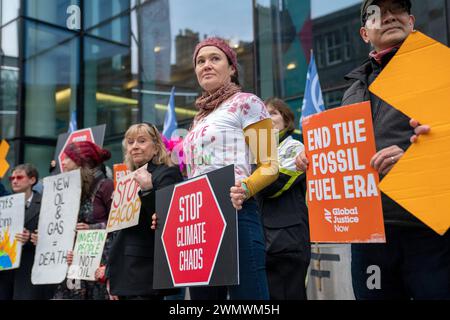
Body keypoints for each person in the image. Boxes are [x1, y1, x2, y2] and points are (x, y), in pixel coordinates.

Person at [296, 0, 449, 300]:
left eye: (398, 10)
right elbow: (344, 150)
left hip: (427, 228)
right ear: (365, 33)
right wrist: (316, 157)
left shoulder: (439, 67)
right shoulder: (354, 87)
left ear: (412, 20)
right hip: (369, 231)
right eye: (378, 12)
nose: (390, 16)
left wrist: (415, 161)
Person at [164, 37, 279, 300]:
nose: (206, 65)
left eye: (215, 58)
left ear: (232, 68)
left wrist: (246, 188)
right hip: (199, 222)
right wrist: (173, 215)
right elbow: (194, 176)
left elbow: (270, 166)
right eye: (200, 61)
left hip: (236, 211)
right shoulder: (199, 117)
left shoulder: (247, 102)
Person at [106, 123, 183, 300]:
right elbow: (119, 232)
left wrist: (148, 189)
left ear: (156, 148)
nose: (134, 147)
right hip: (123, 271)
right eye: (130, 142)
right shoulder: (127, 178)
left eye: (142, 141)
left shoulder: (168, 173)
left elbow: (168, 219)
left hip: (145, 271)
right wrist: (111, 274)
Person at [256, 98, 310, 300]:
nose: (267, 118)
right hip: (264, 241)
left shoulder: (295, 147)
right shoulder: (258, 154)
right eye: (263, 115)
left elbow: (271, 186)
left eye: (273, 113)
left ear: (286, 121)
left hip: (287, 240)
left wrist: (251, 175)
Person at [51, 141, 114, 300]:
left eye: (67, 158)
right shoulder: (70, 189)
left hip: (99, 264)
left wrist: (92, 227)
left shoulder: (105, 186)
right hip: (75, 264)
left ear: (81, 160)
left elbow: (119, 223)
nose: (62, 162)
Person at [0, 164, 55, 300]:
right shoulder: (4, 204)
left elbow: (53, 234)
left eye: (19, 177)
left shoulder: (46, 202)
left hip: (29, 267)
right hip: (5, 265)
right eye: (11, 178)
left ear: (32, 180)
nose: (14, 181)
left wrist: (30, 237)